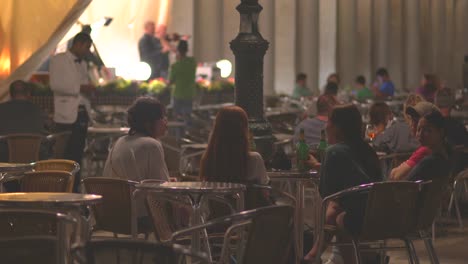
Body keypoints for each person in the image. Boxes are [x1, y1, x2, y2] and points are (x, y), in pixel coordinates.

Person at [303, 104, 382, 263]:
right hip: (382, 214)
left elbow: (326, 192)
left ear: (337, 127)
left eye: (329, 122)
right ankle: (312, 256)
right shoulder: (367, 150)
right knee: (336, 212)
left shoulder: (334, 151)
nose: (326, 126)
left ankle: (312, 256)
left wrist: (321, 166)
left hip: (360, 219)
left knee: (336, 211)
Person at [50, 32, 95, 192]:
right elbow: (55, 85)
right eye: (87, 47)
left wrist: (89, 90)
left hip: (82, 113)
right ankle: (61, 188)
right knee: (64, 154)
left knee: (77, 154)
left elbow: (83, 85)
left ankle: (74, 189)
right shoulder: (58, 59)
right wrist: (81, 88)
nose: (87, 51)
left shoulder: (82, 63)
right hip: (65, 114)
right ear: (79, 44)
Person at [103, 97, 169, 182]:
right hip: (135, 195)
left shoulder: (120, 141)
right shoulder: (151, 145)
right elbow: (161, 188)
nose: (166, 121)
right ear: (148, 123)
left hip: (114, 195)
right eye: (162, 117)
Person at [200, 106, 269, 185]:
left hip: (215, 197)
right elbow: (264, 187)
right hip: (247, 197)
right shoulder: (254, 159)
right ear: (243, 130)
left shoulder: (209, 160)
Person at [389, 102, 440, 181]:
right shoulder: (443, 149)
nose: (412, 124)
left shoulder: (425, 150)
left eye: (417, 120)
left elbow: (396, 176)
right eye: (412, 119)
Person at [0, 80, 47, 162]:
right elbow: (44, 130)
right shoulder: (38, 110)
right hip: (35, 155)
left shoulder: (1, 109)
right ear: (28, 93)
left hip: (5, 157)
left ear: (10, 94)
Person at [404, 110, 451, 182]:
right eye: (419, 129)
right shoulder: (451, 155)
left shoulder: (429, 163)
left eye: (427, 130)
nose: (420, 134)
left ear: (441, 132)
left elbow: (405, 185)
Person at [168, 40, 197, 124]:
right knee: (187, 116)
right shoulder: (192, 62)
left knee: (177, 118)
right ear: (187, 50)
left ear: (178, 51)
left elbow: (171, 81)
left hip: (178, 94)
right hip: (190, 93)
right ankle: (187, 133)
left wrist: (177, 60)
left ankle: (179, 135)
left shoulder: (176, 66)